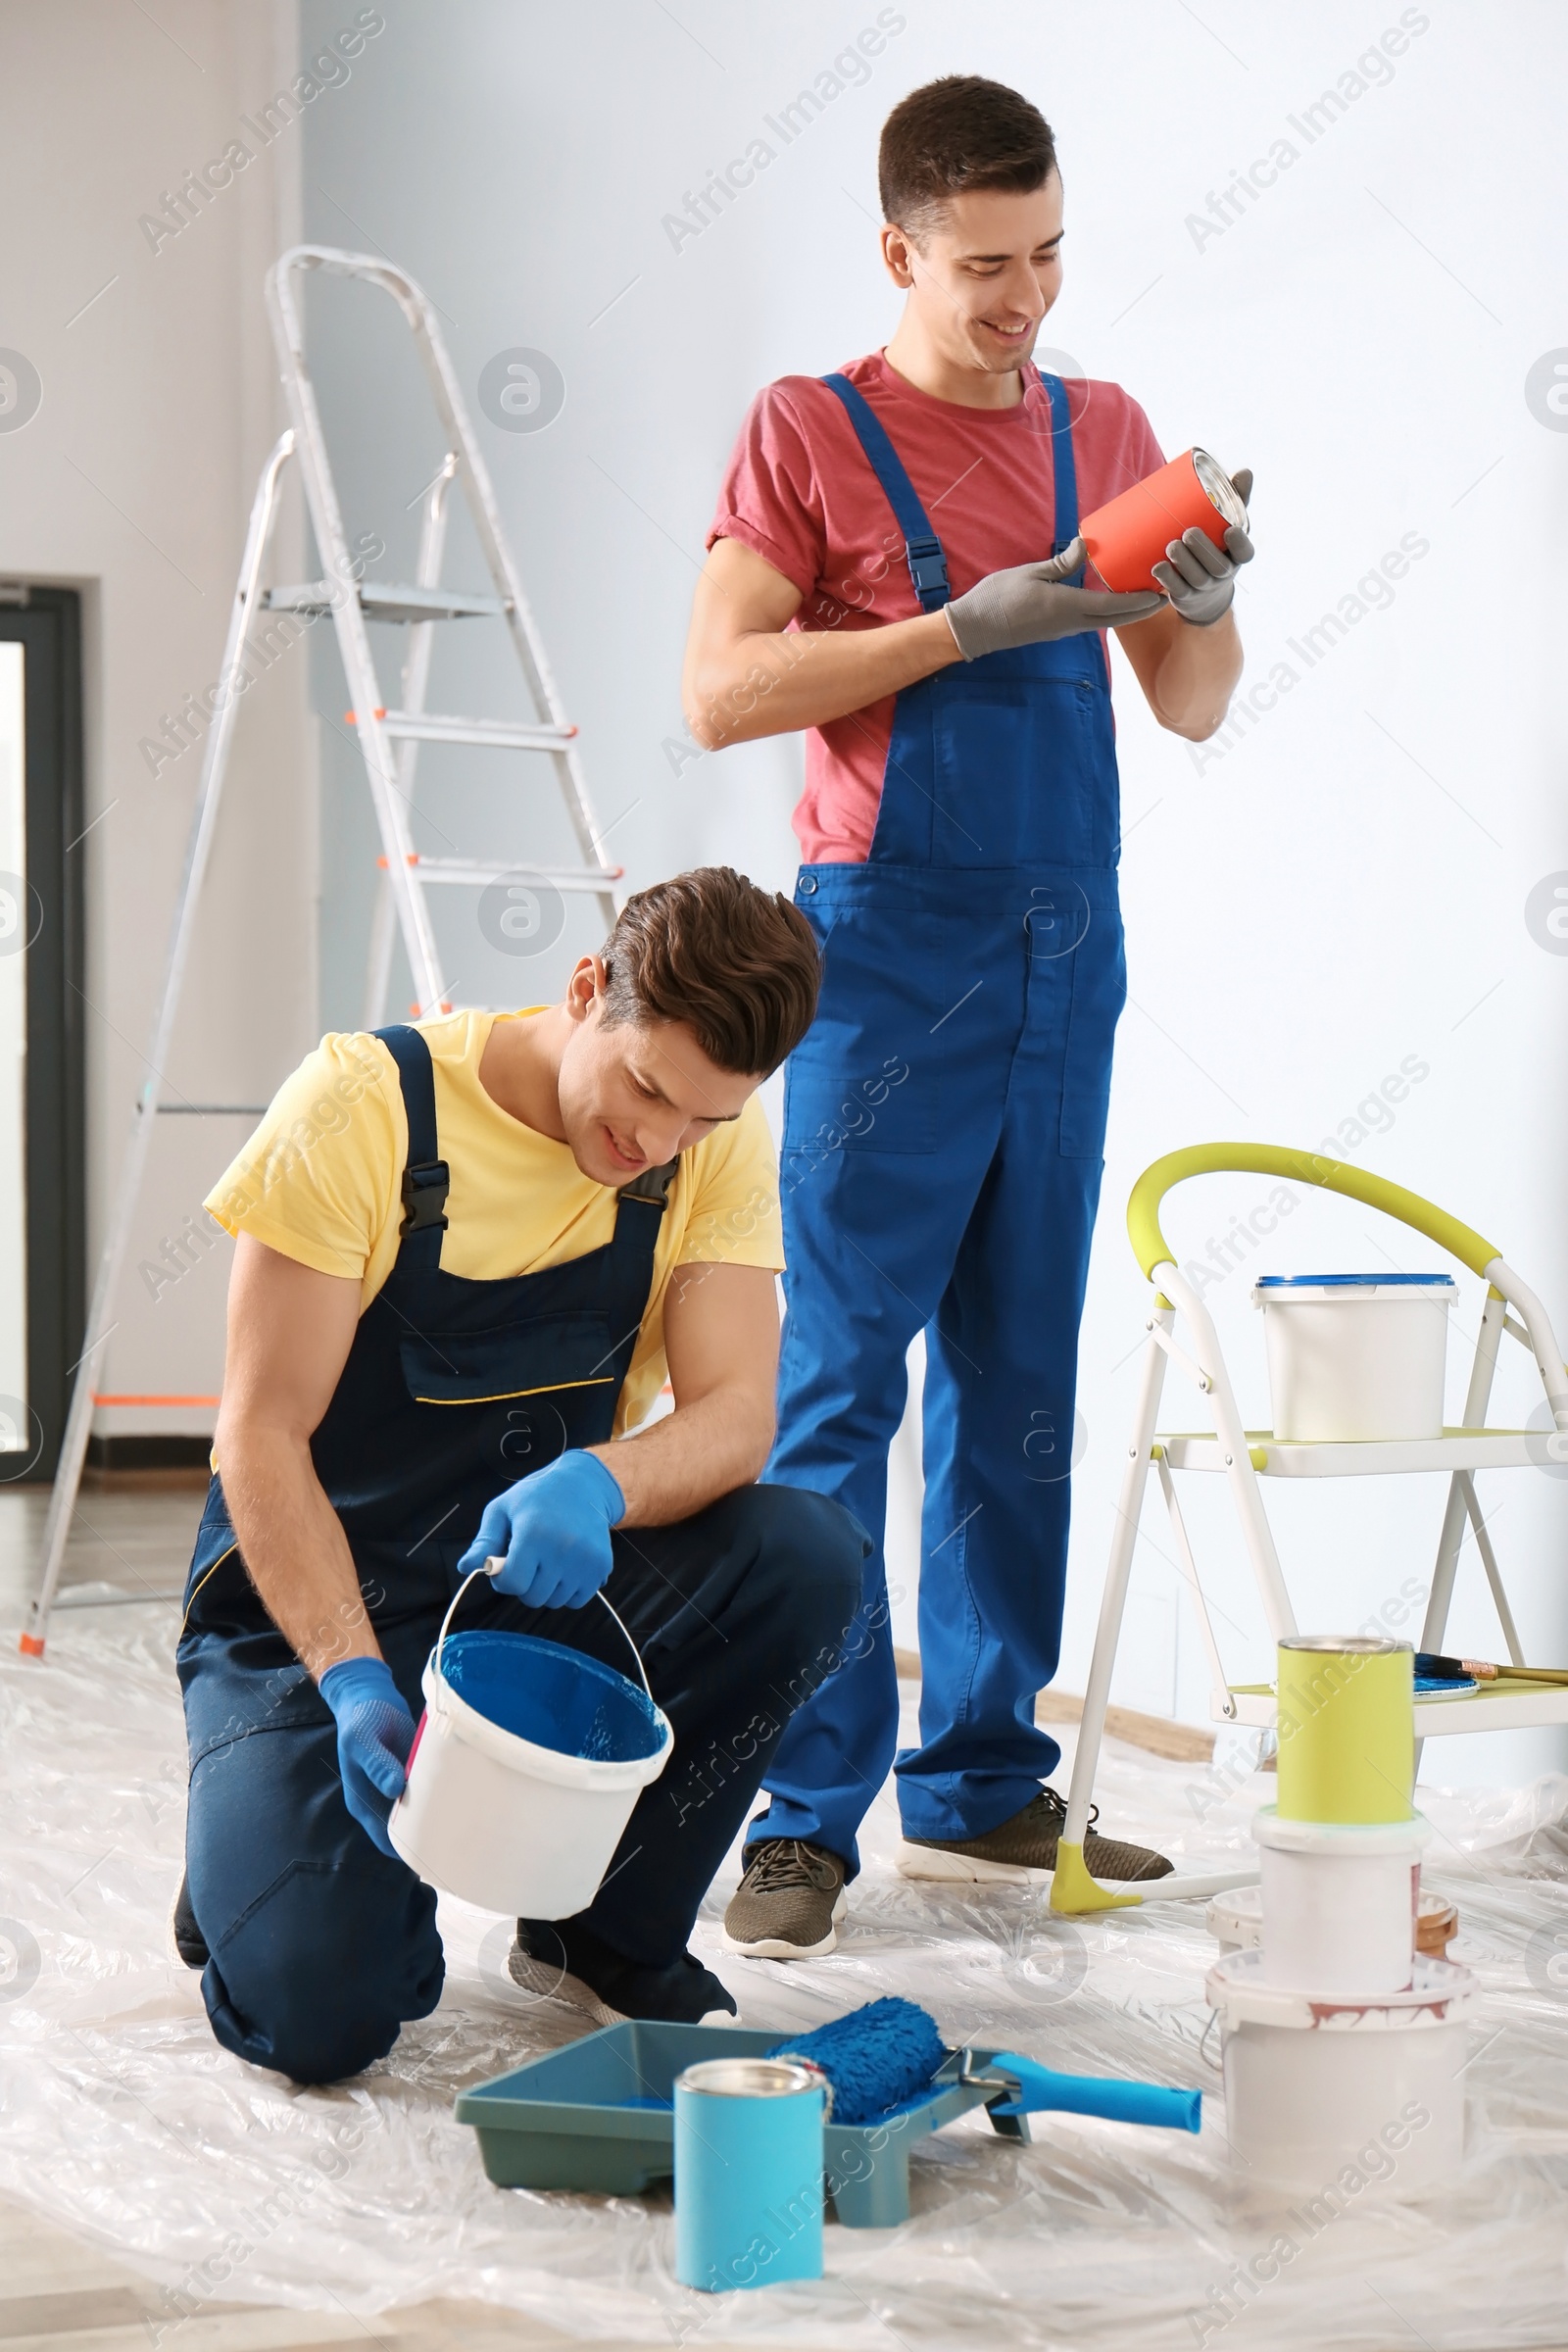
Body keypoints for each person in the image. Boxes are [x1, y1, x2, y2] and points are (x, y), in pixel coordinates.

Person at [680, 76, 1255, 1959]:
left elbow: (1185, 707)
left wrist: (1211, 602)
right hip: (884, 948)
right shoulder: (811, 429)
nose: (1026, 299)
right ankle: (802, 1809)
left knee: (1024, 1379)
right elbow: (719, 692)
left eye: (1050, 255)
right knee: (844, 1383)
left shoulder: (1110, 427)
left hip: (1062, 942)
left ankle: (986, 1778)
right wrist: (959, 626)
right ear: (899, 252)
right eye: (987, 266)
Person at [172, 868, 866, 2082]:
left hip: (524, 1590)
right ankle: (258, 1815)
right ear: (587, 988)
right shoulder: (365, 1109)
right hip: (315, 1609)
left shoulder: (709, 1139)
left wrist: (601, 1481)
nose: (657, 1142)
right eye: (647, 1088)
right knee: (321, 2014)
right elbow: (261, 1437)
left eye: (703, 1119)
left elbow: (738, 1415)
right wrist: (345, 1675)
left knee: (804, 1554)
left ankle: (600, 1935)